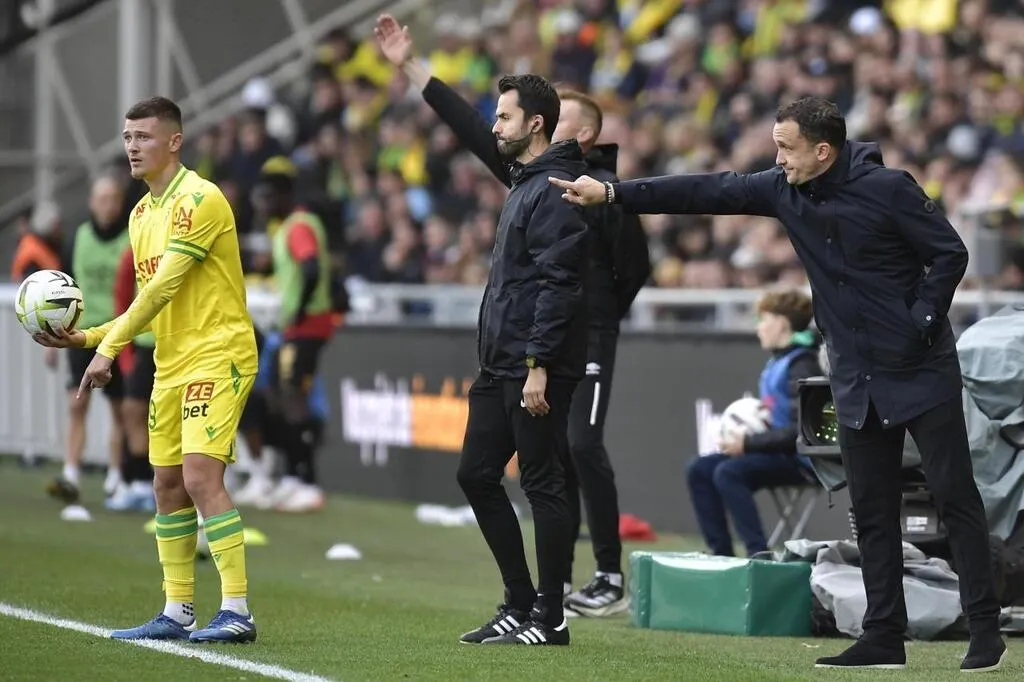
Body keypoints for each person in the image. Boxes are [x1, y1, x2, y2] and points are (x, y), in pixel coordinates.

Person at [549, 96, 1007, 671]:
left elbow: (949, 253)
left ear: (822, 149)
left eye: (786, 148)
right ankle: (883, 635)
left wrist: (920, 321)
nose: (777, 159)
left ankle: (985, 632)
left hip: (921, 370)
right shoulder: (779, 188)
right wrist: (613, 192)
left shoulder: (890, 188)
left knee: (954, 495)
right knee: (870, 510)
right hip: (855, 377)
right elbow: (707, 191)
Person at [376, 17, 649, 617]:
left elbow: (630, 269)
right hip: (515, 348)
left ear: (565, 128)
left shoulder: (598, 192)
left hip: (564, 342)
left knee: (576, 449)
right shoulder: (531, 176)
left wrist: (594, 322)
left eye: (567, 116)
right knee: (496, 470)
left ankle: (598, 578)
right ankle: (533, 600)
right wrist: (411, 66)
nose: (500, 125)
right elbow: (473, 128)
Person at [33, 96, 260, 644]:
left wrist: (107, 350)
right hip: (172, 358)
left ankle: (237, 610)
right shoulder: (140, 216)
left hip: (220, 351)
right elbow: (144, 303)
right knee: (165, 484)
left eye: (144, 137)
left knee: (201, 476)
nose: (132, 146)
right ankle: (178, 609)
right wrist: (86, 338)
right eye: (128, 136)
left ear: (174, 141)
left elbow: (163, 287)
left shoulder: (200, 200)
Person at [686, 289, 821, 557]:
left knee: (729, 472)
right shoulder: (779, 361)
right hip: (778, 451)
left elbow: (802, 429)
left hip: (802, 460)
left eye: (763, 320)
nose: (758, 328)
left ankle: (758, 554)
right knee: (699, 469)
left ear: (781, 323)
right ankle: (720, 553)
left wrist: (747, 442)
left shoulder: (801, 365)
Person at [46, 175, 129, 508]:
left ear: (120, 203)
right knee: (77, 403)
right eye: (102, 197)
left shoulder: (131, 238)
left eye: (113, 198)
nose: (107, 204)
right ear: (92, 202)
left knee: (121, 409)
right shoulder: (77, 238)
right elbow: (62, 289)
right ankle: (71, 472)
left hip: (120, 333)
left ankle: (116, 476)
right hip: (82, 334)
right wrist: (53, 337)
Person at [104, 243, 157, 513]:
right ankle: (141, 483)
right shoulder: (135, 247)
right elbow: (122, 301)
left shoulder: (188, 238)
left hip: (183, 342)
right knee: (134, 410)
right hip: (146, 345)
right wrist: (124, 353)